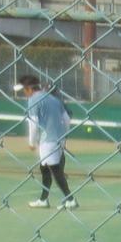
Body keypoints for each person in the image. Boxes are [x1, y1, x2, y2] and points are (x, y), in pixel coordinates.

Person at [18, 72, 75, 208]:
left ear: (29, 88)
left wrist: (31, 142)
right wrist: (63, 136)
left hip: (48, 141)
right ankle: (44, 199)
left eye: (24, 90)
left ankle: (70, 199)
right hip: (58, 139)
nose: (24, 93)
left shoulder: (33, 100)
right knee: (44, 168)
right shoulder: (54, 99)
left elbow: (33, 123)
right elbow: (67, 119)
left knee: (55, 170)